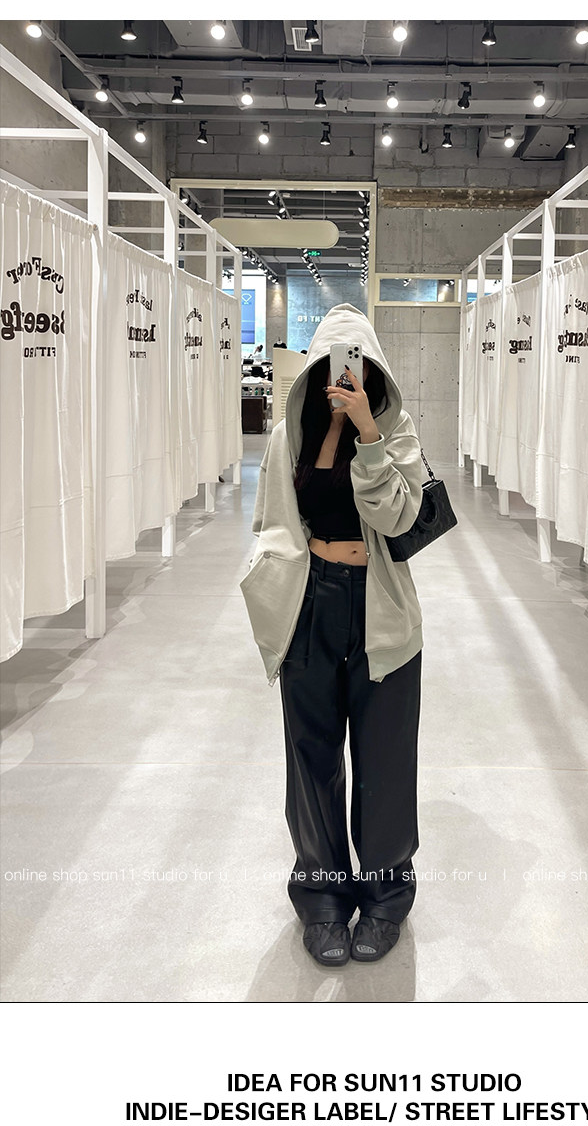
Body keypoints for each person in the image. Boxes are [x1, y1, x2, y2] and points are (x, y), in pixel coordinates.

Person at [241, 303, 425, 967]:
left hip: (382, 607)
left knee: (384, 758)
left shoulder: (397, 430)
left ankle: (384, 898)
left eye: (356, 364)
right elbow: (274, 517)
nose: (344, 375)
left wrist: (368, 431)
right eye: (332, 364)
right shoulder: (292, 430)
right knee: (311, 755)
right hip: (310, 601)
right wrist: (270, 588)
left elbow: (399, 515)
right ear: (317, 369)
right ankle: (321, 899)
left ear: (373, 370)